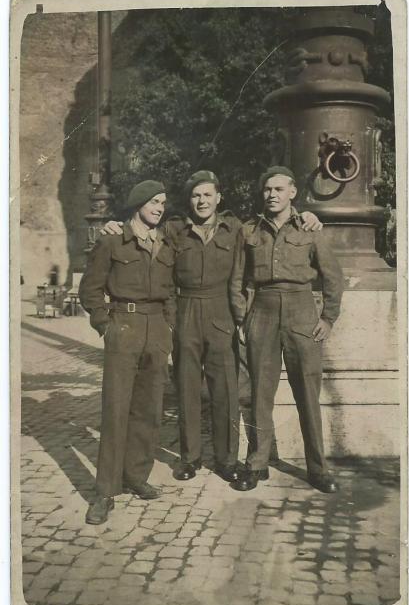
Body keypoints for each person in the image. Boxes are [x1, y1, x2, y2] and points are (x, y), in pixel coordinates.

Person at [101, 171, 322, 484]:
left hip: (221, 314)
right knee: (188, 389)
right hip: (186, 313)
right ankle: (190, 458)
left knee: (225, 392)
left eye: (207, 195)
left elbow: (275, 227)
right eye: (195, 195)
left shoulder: (236, 228)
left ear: (219, 198)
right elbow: (140, 229)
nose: (201, 201)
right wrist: (113, 224)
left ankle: (226, 459)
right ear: (189, 200)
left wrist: (309, 216)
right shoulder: (174, 228)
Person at [230, 166, 343, 493]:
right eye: (267, 189)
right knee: (258, 395)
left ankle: (318, 469)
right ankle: (256, 464)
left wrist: (327, 319)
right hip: (261, 311)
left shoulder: (309, 228)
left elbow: (333, 277)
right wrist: (241, 319)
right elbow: (237, 279)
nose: (272, 194)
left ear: (293, 193)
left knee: (307, 394)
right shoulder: (249, 230)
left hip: (301, 310)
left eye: (279, 189)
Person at [79, 180, 176, 524]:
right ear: (138, 203)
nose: (160, 207)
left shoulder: (165, 241)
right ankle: (104, 492)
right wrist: (106, 325)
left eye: (163, 203)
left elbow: (171, 291)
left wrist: (169, 327)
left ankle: (136, 475)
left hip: (156, 330)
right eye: (154, 202)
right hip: (124, 324)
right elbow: (90, 290)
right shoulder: (112, 239)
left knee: (149, 410)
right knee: (116, 410)